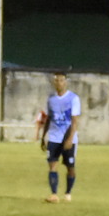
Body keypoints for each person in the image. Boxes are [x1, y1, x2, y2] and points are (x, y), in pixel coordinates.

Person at [41, 72, 81, 201]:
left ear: (66, 82)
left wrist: (70, 138)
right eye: (56, 80)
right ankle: (54, 194)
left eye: (61, 80)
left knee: (70, 168)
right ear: (54, 82)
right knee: (52, 165)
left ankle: (68, 193)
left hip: (68, 139)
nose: (59, 83)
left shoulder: (73, 98)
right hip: (53, 137)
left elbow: (74, 121)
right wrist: (43, 136)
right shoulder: (51, 99)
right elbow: (48, 118)